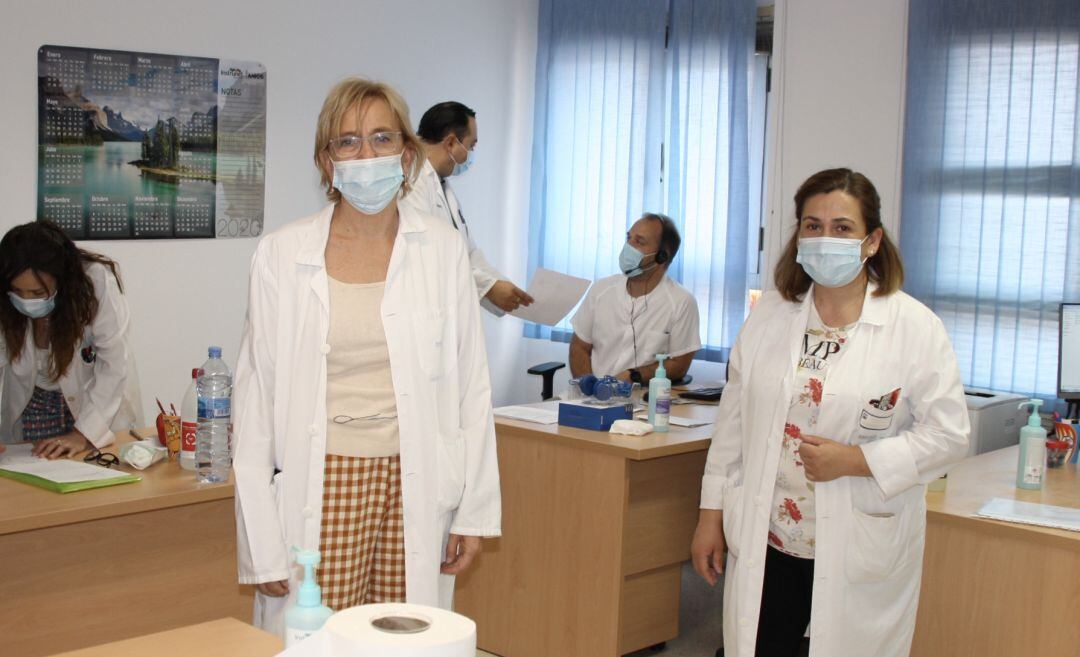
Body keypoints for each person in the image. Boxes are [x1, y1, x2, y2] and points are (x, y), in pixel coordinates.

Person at [232, 78, 501, 636]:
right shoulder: (282, 254)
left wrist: (473, 510)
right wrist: (261, 539)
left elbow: (471, 387)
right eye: (347, 141)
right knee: (320, 637)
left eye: (381, 138)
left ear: (407, 154)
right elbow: (255, 397)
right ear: (325, 161)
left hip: (417, 477)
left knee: (405, 637)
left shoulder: (443, 250)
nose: (366, 154)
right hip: (322, 478)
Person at [690, 168, 970, 657]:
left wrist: (858, 461)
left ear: (872, 240)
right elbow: (732, 426)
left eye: (842, 227)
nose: (825, 238)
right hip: (768, 536)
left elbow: (949, 436)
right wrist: (709, 515)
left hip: (858, 540)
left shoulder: (915, 327)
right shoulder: (770, 316)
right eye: (812, 225)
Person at [0, 220, 142, 457]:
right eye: (17, 291)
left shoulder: (95, 284)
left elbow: (115, 364)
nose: (26, 300)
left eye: (37, 293)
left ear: (62, 281)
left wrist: (83, 434)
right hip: (31, 405)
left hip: (94, 402)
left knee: (91, 480)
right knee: (35, 475)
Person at [399, 101, 533, 314]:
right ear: (451, 142)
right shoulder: (412, 183)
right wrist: (489, 287)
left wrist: (500, 285)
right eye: (471, 146)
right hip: (423, 310)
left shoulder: (442, 186)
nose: (470, 155)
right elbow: (426, 255)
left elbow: (468, 252)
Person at [569, 213, 700, 385]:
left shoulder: (681, 302)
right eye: (628, 238)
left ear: (662, 256)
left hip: (641, 402)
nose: (628, 246)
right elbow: (579, 346)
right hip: (590, 397)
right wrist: (588, 386)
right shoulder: (601, 290)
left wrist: (634, 375)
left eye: (639, 242)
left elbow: (679, 364)